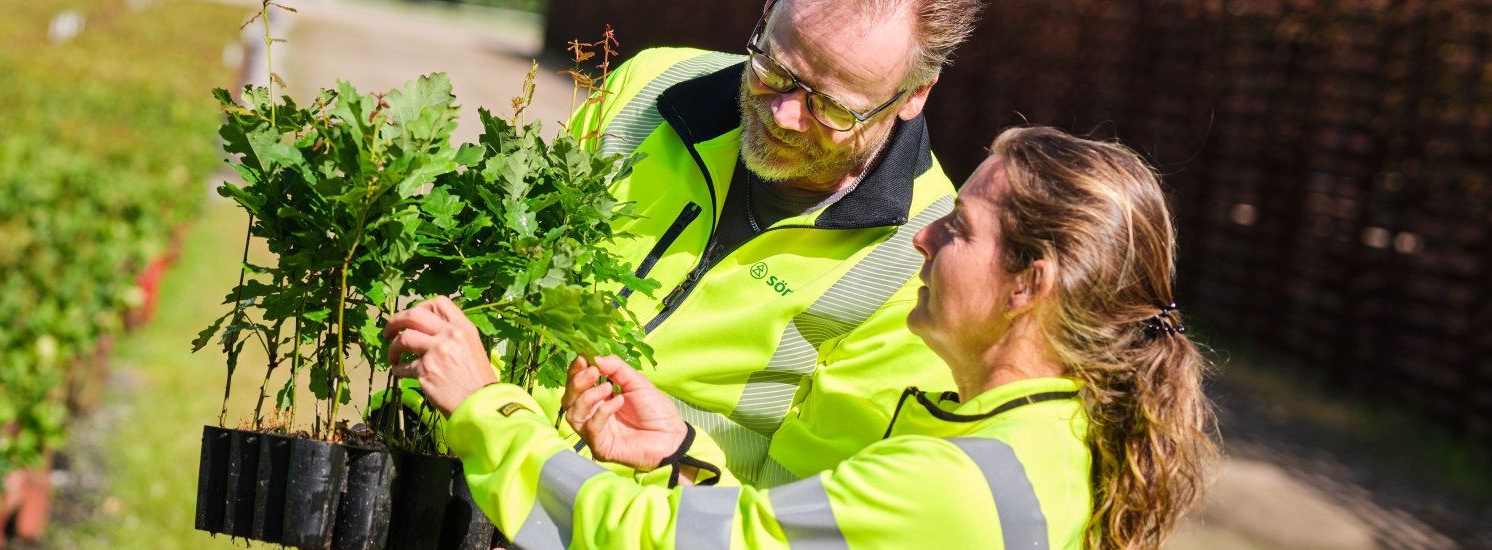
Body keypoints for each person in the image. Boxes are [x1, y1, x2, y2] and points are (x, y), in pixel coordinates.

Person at [386, 127, 1218, 549]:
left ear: (1028, 285)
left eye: (957, 229)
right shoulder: (1056, 439)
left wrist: (487, 408)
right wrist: (683, 457)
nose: (922, 242)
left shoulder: (957, 484)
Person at [515, 0, 988, 488]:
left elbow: (804, 519)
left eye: (830, 107)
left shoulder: (923, 266)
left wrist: (677, 463)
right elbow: (511, 272)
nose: (783, 115)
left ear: (914, 95)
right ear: (765, 15)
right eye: (775, 69)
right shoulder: (654, 82)